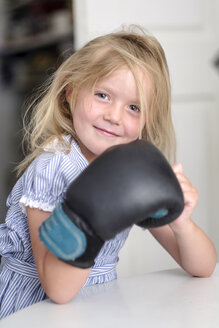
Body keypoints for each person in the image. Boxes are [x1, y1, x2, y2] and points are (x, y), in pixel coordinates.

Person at [0, 25, 217, 319]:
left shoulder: (130, 170)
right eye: (103, 95)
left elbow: (204, 267)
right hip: (33, 311)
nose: (114, 116)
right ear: (71, 92)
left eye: (133, 107)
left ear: (147, 121)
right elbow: (58, 291)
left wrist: (181, 223)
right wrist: (90, 217)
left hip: (97, 305)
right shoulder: (52, 168)